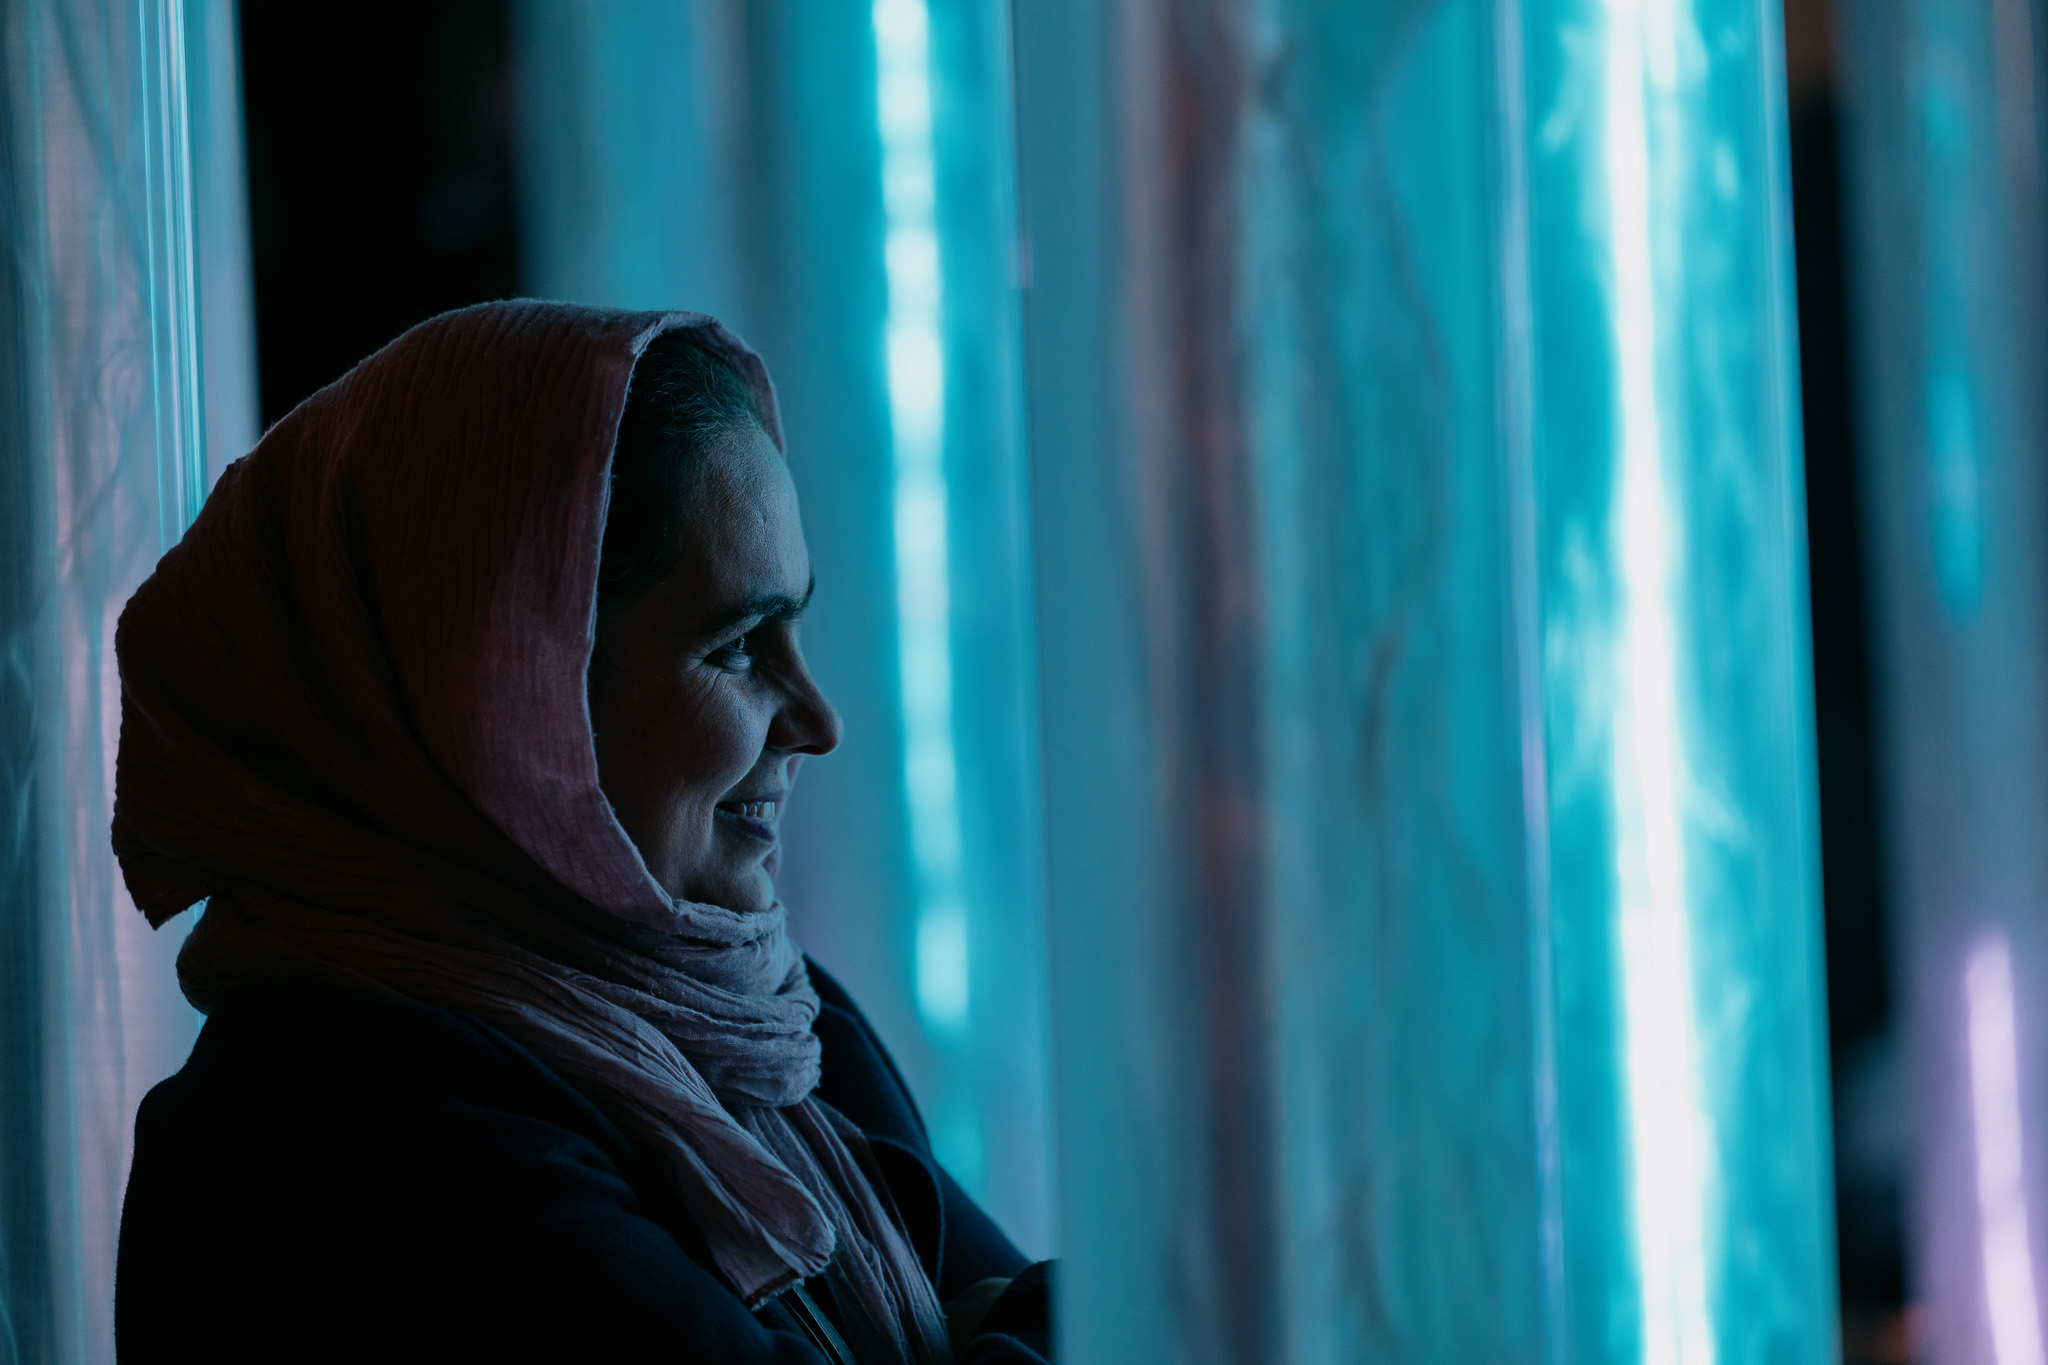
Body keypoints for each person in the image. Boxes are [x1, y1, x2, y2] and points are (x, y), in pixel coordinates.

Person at [110, 302, 1050, 1363]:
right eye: (739, 646)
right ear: (508, 699)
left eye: (798, 625)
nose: (817, 721)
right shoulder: (335, 1134)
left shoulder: (771, 1023)